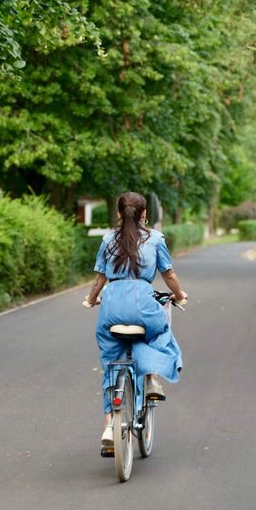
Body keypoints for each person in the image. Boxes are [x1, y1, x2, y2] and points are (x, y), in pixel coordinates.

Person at [84, 191, 186, 449]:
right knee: (159, 329)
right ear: (144, 214)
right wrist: (179, 295)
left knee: (111, 362)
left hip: (111, 305)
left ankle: (110, 426)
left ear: (119, 213)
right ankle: (151, 377)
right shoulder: (155, 239)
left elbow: (100, 279)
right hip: (143, 302)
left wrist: (91, 299)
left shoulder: (108, 239)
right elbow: (169, 274)